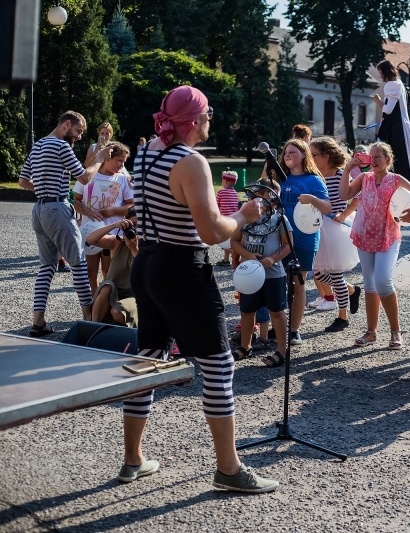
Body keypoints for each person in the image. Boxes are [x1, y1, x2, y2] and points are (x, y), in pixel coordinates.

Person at [125, 85, 277, 493]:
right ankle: (229, 469)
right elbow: (212, 232)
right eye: (207, 114)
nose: (211, 119)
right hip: (181, 269)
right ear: (193, 121)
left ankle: (133, 459)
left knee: (147, 359)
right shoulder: (190, 161)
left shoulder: (144, 153)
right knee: (219, 366)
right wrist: (243, 216)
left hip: (149, 262)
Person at [17, 111, 113, 337]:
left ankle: (38, 321)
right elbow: (84, 177)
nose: (79, 136)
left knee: (47, 266)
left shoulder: (39, 144)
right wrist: (99, 159)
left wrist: (43, 189)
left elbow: (22, 181)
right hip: (56, 210)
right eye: (78, 131)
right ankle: (89, 320)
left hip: (39, 210)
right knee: (78, 263)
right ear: (66, 125)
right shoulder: (60, 146)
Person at [341, 142, 410, 349]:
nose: (374, 160)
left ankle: (395, 331)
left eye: (378, 156)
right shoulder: (364, 178)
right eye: (372, 156)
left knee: (383, 281)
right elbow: (345, 195)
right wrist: (346, 170)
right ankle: (371, 332)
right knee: (370, 285)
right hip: (364, 235)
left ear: (388, 160)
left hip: (388, 236)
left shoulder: (395, 179)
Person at [273, 139, 332, 345]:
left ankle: (294, 330)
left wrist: (312, 199)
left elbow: (327, 208)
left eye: (293, 152)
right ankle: (279, 326)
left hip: (304, 240)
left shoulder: (314, 180)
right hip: (278, 239)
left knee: (298, 285)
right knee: (277, 283)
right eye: (286, 152)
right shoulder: (280, 178)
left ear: (304, 155)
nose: (288, 155)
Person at [229, 181, 291, 366]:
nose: (253, 199)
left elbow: (288, 245)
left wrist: (272, 258)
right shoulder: (246, 218)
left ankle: (281, 350)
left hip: (273, 274)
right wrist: (248, 256)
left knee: (277, 312)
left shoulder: (280, 219)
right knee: (247, 310)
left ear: (272, 199)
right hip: (250, 275)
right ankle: (245, 346)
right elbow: (234, 241)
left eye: (258, 196)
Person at [309, 136, 362, 333]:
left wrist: (344, 215)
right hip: (317, 225)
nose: (311, 158)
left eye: (314, 155)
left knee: (334, 273)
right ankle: (351, 290)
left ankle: (343, 316)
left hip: (334, 226)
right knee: (319, 272)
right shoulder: (315, 175)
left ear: (327, 155)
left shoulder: (341, 174)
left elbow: (356, 199)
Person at [73, 141, 135, 294]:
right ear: (107, 157)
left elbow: (131, 206)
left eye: (124, 161)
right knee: (90, 271)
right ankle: (94, 301)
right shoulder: (87, 176)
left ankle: (109, 302)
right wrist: (89, 212)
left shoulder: (122, 179)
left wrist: (114, 210)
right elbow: (75, 200)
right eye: (119, 160)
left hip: (114, 234)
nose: (122, 165)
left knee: (109, 272)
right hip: (90, 231)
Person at [374, 60, 410, 195]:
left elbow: (388, 110)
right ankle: (408, 193)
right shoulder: (400, 85)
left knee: (393, 162)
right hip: (402, 128)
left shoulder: (391, 85)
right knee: (405, 163)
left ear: (385, 72)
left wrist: (378, 102)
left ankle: (392, 193)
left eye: (380, 73)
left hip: (396, 131)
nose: (380, 76)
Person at [84, 208, 139, 327]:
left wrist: (134, 248)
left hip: (135, 296)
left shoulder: (150, 246)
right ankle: (92, 328)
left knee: (117, 313)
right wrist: (114, 225)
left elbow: (145, 271)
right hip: (113, 293)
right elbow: (90, 240)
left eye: (140, 225)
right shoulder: (116, 242)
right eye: (132, 225)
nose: (136, 229)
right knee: (107, 286)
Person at [215, 170, 240, 266]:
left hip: (224, 221)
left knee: (222, 241)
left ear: (225, 181)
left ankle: (236, 254)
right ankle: (226, 260)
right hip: (234, 221)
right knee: (228, 241)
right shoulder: (235, 193)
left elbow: (216, 206)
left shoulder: (221, 192)